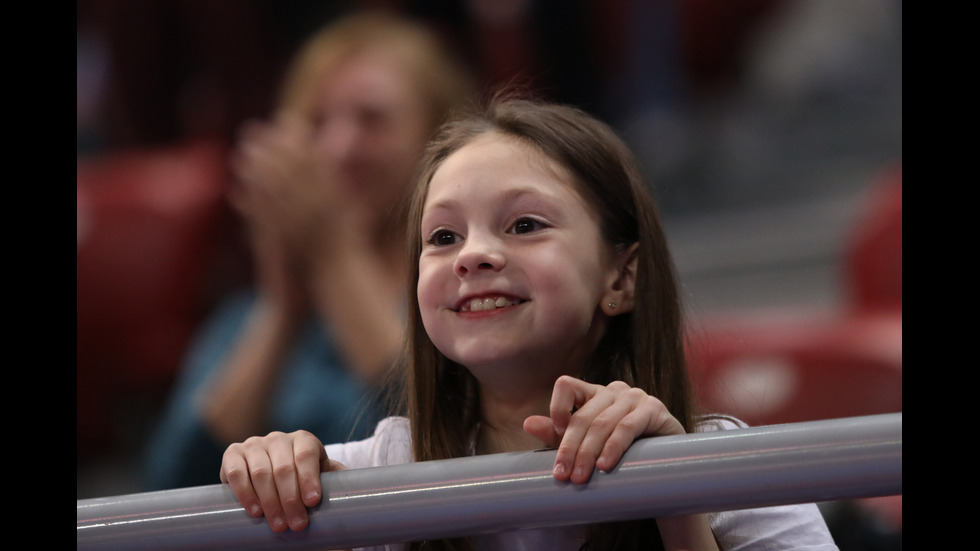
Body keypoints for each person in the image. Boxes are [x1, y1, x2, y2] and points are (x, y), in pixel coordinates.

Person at [218, 96, 839, 551]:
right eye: (442, 236)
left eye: (524, 225)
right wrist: (267, 471)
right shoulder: (364, 476)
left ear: (621, 278)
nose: (472, 255)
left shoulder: (737, 469)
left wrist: (673, 494)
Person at [143, 11, 474, 491]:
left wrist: (336, 260)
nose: (340, 147)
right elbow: (169, 487)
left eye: (372, 119)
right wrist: (281, 311)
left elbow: (455, 430)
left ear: (437, 136)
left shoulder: (467, 289)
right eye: (316, 122)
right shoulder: (245, 315)